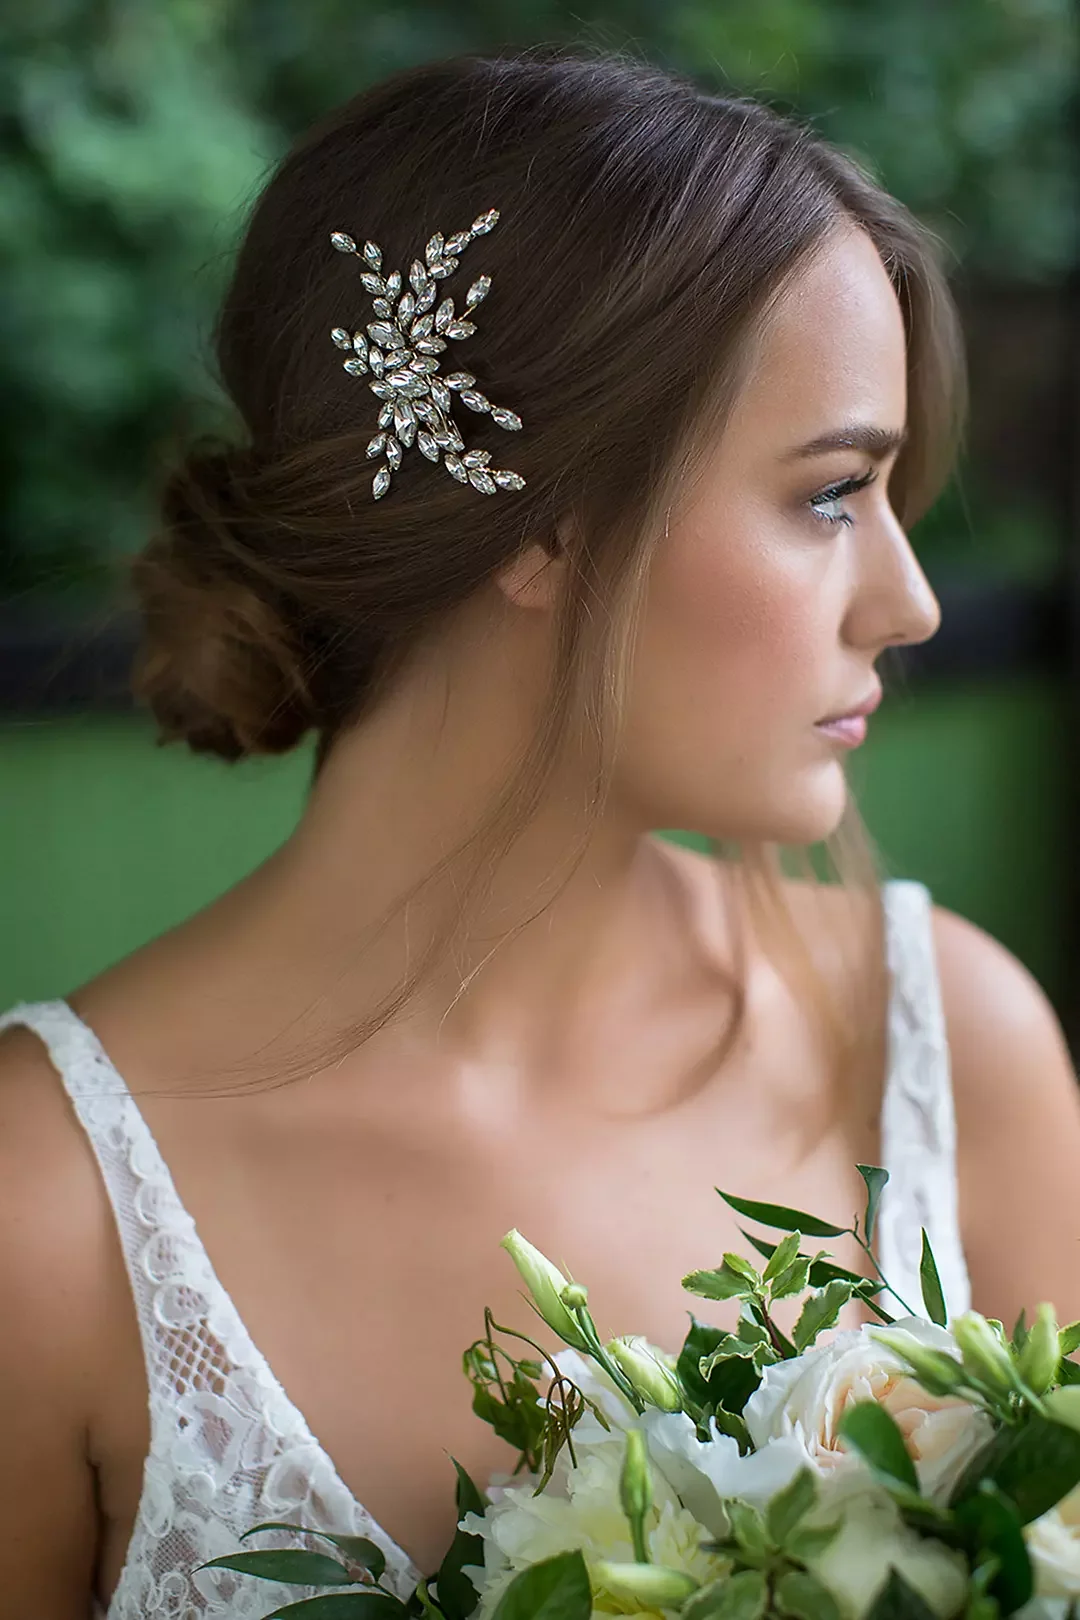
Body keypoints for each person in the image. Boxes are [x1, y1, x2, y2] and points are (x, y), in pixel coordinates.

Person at [2, 46, 1079, 1619]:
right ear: (541, 521)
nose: (909, 602)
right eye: (833, 492)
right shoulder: (43, 1213)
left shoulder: (950, 1044)